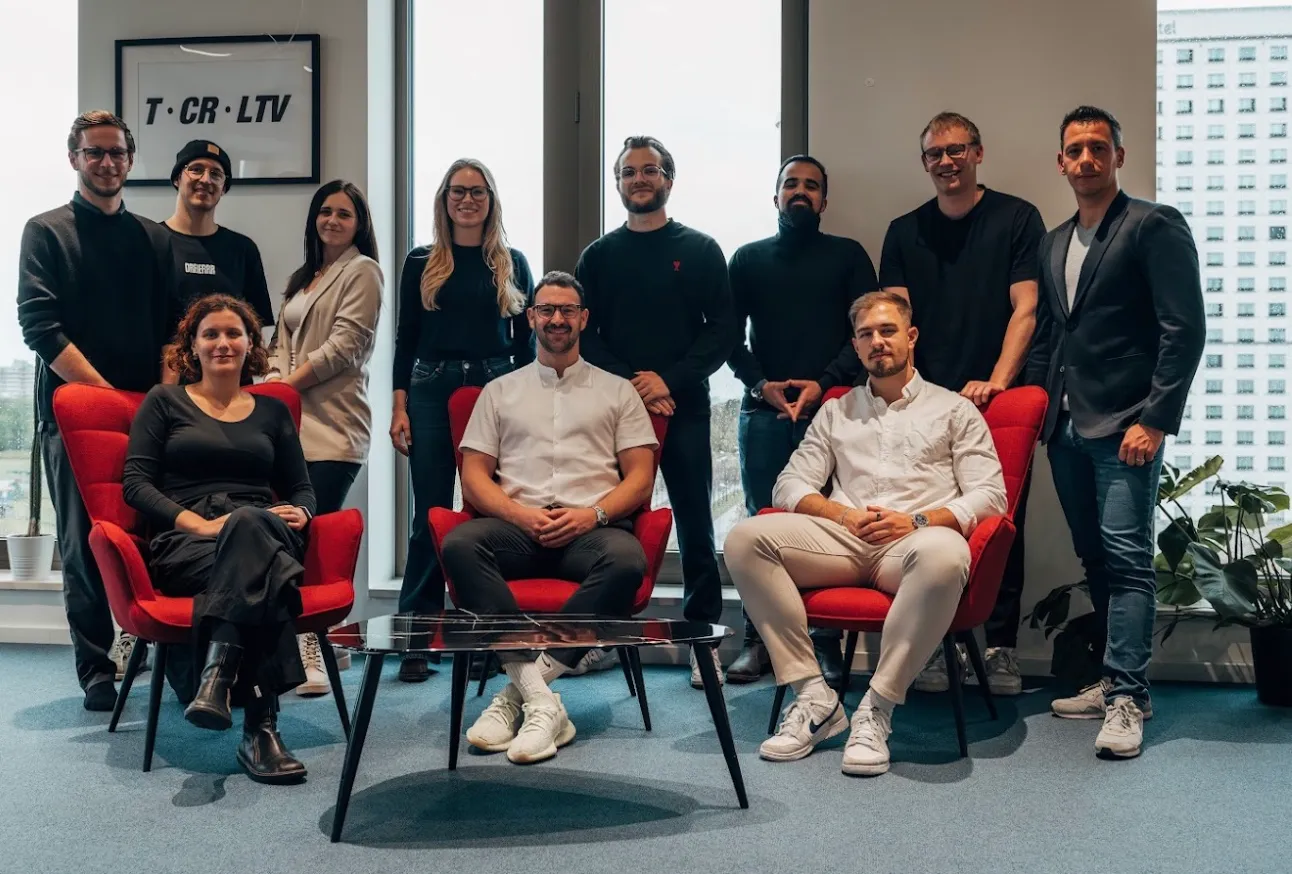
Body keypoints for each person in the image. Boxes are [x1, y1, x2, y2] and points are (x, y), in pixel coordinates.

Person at [723, 291, 1006, 776]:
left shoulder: (954, 409)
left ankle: (877, 707)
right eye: (866, 334)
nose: (878, 342)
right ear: (855, 347)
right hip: (844, 538)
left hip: (912, 545)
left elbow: (989, 497)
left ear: (911, 337)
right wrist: (840, 515)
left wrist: (916, 521)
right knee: (745, 539)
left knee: (945, 554)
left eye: (888, 331)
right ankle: (815, 700)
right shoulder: (837, 411)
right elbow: (789, 484)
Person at [1027, 106, 1204, 759]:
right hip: (1067, 428)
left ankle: (1129, 696)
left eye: (1098, 147)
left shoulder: (1152, 225)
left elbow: (1183, 329)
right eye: (1075, 149)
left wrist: (1155, 419)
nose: (1086, 159)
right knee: (1097, 560)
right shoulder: (1053, 242)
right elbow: (1053, 336)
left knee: (1128, 561)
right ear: (1061, 161)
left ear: (1118, 157)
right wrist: (1041, 413)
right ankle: (1113, 681)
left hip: (1128, 426)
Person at [441, 271, 658, 764]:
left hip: (593, 532)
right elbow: (473, 475)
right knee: (458, 544)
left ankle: (516, 694)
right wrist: (519, 515)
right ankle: (542, 701)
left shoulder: (618, 391)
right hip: (518, 529)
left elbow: (640, 478)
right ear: (531, 317)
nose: (556, 319)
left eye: (566, 310)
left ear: (583, 318)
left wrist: (592, 514)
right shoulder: (499, 391)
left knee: (628, 560)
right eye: (546, 310)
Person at [880, 112, 1046, 697]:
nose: (946, 162)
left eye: (956, 150)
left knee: (999, 523)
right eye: (934, 154)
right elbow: (895, 321)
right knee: (930, 521)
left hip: (995, 396)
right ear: (924, 162)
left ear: (978, 152)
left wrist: (997, 381)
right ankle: (935, 644)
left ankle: (1000, 648)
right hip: (924, 401)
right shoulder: (904, 230)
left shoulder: (1018, 218)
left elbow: (1026, 308)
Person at [17, 110, 178, 710]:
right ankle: (95, 668)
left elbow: (172, 330)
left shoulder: (154, 237)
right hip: (71, 415)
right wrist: (105, 402)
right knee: (85, 542)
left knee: (154, 532)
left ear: (131, 161)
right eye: (94, 153)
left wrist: (160, 403)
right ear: (75, 159)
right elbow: (39, 325)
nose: (106, 162)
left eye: (116, 153)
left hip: (149, 414)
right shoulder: (45, 231)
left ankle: (156, 645)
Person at [122, 294, 316, 784]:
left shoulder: (272, 412)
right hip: (189, 539)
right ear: (193, 345)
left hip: (262, 529)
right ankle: (261, 732)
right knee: (265, 579)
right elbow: (136, 485)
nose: (223, 343)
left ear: (251, 344)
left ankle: (216, 678)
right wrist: (199, 523)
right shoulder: (163, 402)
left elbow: (302, 488)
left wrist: (305, 511)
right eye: (211, 334)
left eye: (234, 333)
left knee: (252, 524)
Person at [576, 135, 735, 688]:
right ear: (617, 183)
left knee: (695, 524)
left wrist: (667, 380)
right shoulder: (597, 257)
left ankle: (701, 638)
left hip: (684, 405)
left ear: (669, 179)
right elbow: (585, 334)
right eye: (628, 172)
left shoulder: (700, 249)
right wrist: (636, 386)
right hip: (613, 415)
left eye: (650, 170)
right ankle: (601, 635)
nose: (639, 179)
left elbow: (722, 331)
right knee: (611, 525)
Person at [725, 155, 879, 686]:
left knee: (825, 526)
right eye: (791, 183)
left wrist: (824, 383)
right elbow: (727, 334)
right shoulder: (746, 259)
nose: (801, 192)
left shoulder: (848, 256)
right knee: (759, 520)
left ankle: (824, 642)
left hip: (834, 408)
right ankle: (757, 642)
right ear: (775, 197)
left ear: (824, 201)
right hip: (763, 411)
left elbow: (867, 330)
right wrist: (759, 384)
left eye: (812, 186)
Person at [390, 158, 535, 683]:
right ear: (444, 198)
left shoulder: (513, 262)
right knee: (428, 514)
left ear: (491, 199)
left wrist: (526, 408)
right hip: (431, 387)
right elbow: (406, 337)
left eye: (477, 191)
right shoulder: (421, 261)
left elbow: (526, 347)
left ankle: (488, 638)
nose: (467, 199)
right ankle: (415, 637)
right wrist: (399, 404)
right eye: (458, 191)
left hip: (496, 390)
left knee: (489, 515)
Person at [266, 179, 383, 696]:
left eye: (344, 214)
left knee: (310, 537)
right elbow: (277, 343)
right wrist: (270, 386)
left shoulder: (363, 272)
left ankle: (313, 646)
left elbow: (346, 348)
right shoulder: (305, 278)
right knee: (284, 534)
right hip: (285, 427)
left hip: (333, 427)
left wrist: (284, 391)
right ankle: (290, 643)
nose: (333, 221)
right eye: (325, 212)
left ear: (359, 224)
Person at [162, 139, 274, 327]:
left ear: (223, 188)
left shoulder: (243, 249)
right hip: (161, 357)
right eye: (196, 169)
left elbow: (256, 328)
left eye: (216, 174)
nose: (206, 180)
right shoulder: (151, 242)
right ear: (177, 178)